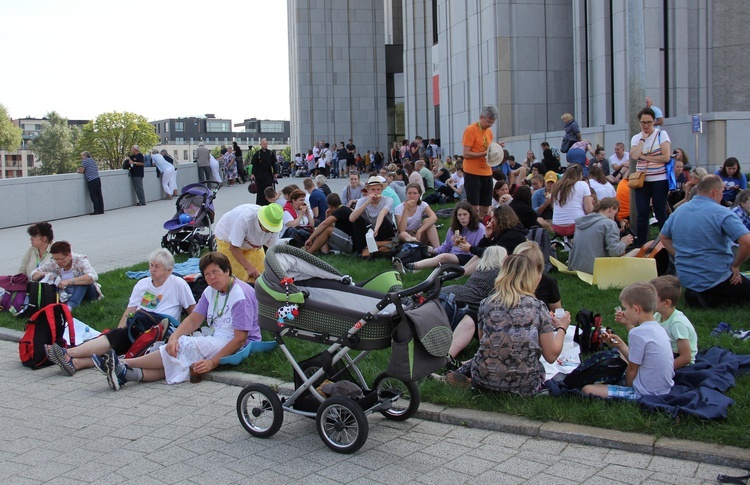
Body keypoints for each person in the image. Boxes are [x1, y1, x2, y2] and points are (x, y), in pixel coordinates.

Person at [97, 252, 260, 390]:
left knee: (183, 346)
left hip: (236, 342)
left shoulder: (240, 294)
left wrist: (212, 362)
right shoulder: (211, 291)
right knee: (176, 355)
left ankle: (122, 363)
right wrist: (174, 337)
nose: (211, 277)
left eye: (215, 272)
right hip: (218, 336)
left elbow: (240, 338)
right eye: (207, 274)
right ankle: (124, 374)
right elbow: (194, 319)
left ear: (227, 271)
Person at [44, 249, 196, 376]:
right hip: (138, 326)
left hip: (160, 330)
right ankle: (76, 363)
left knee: (119, 342)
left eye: (157, 266)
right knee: (119, 343)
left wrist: (184, 335)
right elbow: (129, 312)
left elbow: (193, 313)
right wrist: (120, 329)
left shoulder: (178, 284)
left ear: (169, 271)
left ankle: (68, 353)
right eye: (151, 265)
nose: (152, 269)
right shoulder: (142, 284)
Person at [444, 253, 571, 395]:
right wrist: (562, 327)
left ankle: (462, 378)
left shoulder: (486, 303)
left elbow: (483, 341)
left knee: (485, 356)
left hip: (484, 379)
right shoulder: (538, 307)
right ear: (533, 278)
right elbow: (551, 355)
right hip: (525, 385)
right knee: (539, 366)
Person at [661, 175, 750, 308]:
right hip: (717, 277)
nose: (722, 195)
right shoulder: (722, 213)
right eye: (722, 191)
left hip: (688, 278)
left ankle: (699, 297)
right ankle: (712, 298)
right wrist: (736, 265)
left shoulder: (679, 211)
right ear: (715, 192)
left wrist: (678, 254)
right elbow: (747, 242)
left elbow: (663, 237)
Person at [582, 282, 674, 400]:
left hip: (644, 393)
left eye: (625, 308)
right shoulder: (658, 328)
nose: (624, 312)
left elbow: (632, 370)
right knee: (619, 352)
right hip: (663, 389)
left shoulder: (637, 333)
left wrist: (627, 387)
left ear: (636, 309)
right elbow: (637, 358)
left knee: (587, 389)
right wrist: (620, 344)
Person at [394, 201, 483, 274]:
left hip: (468, 257)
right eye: (459, 215)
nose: (462, 218)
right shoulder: (454, 228)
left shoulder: (479, 228)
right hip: (453, 255)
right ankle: (412, 270)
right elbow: (446, 246)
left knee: (443, 257)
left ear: (470, 215)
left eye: (465, 214)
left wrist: (466, 247)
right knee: (429, 253)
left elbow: (478, 251)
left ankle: (410, 266)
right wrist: (433, 250)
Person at [630, 107, 671, 247]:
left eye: (649, 122)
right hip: (642, 180)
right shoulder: (636, 138)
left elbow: (666, 157)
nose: (646, 126)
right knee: (642, 213)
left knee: (660, 212)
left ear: (654, 121)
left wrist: (644, 157)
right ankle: (641, 244)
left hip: (659, 179)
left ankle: (665, 243)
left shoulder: (662, 135)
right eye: (643, 123)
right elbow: (634, 156)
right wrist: (642, 139)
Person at [214, 204, 283, 283]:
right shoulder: (245, 219)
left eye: (273, 229)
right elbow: (233, 247)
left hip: (252, 244)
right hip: (228, 240)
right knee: (236, 278)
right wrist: (248, 267)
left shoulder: (276, 226)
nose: (271, 231)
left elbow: (272, 252)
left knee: (263, 272)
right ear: (261, 220)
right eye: (269, 227)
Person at [567, 198, 634, 274]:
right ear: (611, 209)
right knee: (636, 251)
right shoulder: (609, 223)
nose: (614, 217)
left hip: (576, 267)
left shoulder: (582, 222)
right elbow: (615, 252)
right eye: (615, 213)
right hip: (595, 270)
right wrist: (624, 243)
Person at [31, 241, 101, 310]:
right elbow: (34, 274)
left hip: (88, 293)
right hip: (66, 293)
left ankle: (70, 306)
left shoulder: (80, 260)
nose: (58, 262)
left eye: (61, 259)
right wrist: (44, 274)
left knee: (82, 277)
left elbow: (92, 276)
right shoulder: (54, 263)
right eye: (55, 259)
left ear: (69, 255)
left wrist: (69, 281)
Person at [649, 275, 697, 369]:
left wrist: (664, 370)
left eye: (652, 298)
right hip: (665, 354)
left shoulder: (677, 323)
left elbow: (686, 357)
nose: (647, 301)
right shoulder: (657, 316)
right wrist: (628, 323)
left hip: (679, 362)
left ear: (667, 303)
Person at [463, 105, 501, 216]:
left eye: (492, 123)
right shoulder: (471, 129)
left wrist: (496, 147)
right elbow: (466, 154)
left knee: (485, 207)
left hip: (487, 172)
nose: (490, 125)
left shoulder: (489, 132)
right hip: (472, 172)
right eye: (488, 122)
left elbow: (488, 149)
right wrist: (484, 153)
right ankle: (473, 229)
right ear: (481, 117)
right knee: (474, 207)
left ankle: (484, 229)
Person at [349, 176, 396, 256]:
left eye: (378, 189)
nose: (376, 192)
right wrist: (367, 202)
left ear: (382, 190)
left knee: (384, 219)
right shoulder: (362, 201)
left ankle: (379, 246)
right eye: (373, 190)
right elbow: (351, 218)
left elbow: (382, 213)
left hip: (382, 229)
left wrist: (376, 228)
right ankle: (362, 250)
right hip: (368, 231)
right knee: (357, 219)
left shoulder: (388, 200)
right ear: (368, 191)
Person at [551, 164, 593, 237]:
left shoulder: (556, 186)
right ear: (580, 174)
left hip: (557, 226)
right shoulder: (583, 184)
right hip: (576, 226)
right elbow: (589, 210)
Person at [394, 183, 440, 248]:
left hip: (418, 232)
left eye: (415, 193)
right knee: (402, 234)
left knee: (428, 221)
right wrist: (406, 210)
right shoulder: (399, 208)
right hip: (406, 236)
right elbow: (401, 229)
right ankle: (418, 248)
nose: (412, 196)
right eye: (409, 193)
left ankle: (438, 249)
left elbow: (434, 217)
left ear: (419, 195)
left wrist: (420, 231)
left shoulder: (422, 205)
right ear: (406, 194)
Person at [250, 138, 277, 206]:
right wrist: (253, 174)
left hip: (268, 174)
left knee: (269, 189)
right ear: (261, 144)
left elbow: (274, 164)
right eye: (264, 144)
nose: (265, 145)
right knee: (260, 191)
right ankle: (260, 205)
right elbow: (255, 165)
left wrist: (276, 173)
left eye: (266, 144)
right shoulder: (257, 154)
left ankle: (270, 203)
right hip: (259, 175)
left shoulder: (270, 153)